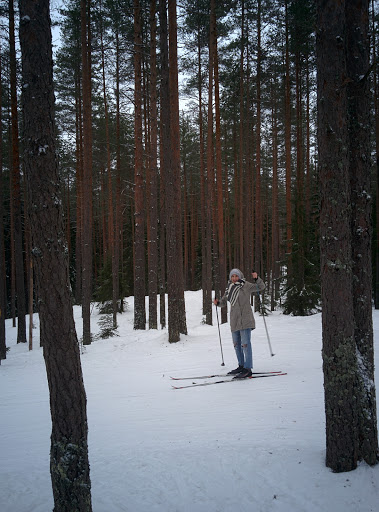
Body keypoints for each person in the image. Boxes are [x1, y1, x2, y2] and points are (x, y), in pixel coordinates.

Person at [214, 268, 265, 379]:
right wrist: (218, 303)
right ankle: (241, 366)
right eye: (232, 276)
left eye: (236, 276)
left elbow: (260, 287)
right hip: (234, 320)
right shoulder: (229, 288)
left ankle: (248, 368)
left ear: (240, 276)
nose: (234, 278)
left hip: (246, 319)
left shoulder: (245, 285)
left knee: (246, 344)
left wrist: (257, 278)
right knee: (237, 345)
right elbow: (223, 302)